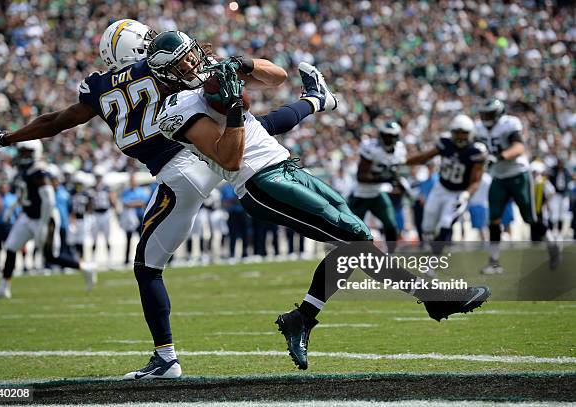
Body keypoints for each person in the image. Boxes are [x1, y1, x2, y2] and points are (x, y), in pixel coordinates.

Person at [0, 19, 333, 379]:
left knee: (147, 267)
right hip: (201, 158)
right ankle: (315, 100)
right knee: (257, 126)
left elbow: (56, 121)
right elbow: (228, 82)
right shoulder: (166, 61)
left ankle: (165, 358)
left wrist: (6, 138)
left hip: (178, 174)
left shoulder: (99, 87)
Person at [152, 30, 490, 371]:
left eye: (190, 53)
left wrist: (244, 64)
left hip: (286, 166)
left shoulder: (215, 71)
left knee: (351, 242)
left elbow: (277, 76)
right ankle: (434, 298)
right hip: (258, 182)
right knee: (355, 235)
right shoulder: (175, 108)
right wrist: (236, 109)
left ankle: (303, 318)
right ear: (167, 72)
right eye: (181, 61)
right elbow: (229, 159)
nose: (192, 62)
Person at [0, 141, 96, 300]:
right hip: (27, 216)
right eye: (21, 151)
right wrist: (13, 208)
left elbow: (49, 200)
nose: (22, 155)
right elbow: (24, 193)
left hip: (44, 217)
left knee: (50, 256)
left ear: (34, 152)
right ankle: (3, 288)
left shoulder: (39, 171)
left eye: (26, 152)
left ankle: (85, 267)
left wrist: (43, 223)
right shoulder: (24, 169)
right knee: (10, 248)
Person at [406, 114, 487, 255]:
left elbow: (476, 181)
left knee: (446, 222)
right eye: (457, 133)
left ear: (470, 134)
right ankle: (432, 249)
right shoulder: (445, 143)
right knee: (427, 226)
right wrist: (405, 162)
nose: (460, 137)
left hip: (457, 192)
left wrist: (466, 194)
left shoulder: (476, 152)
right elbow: (426, 156)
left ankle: (433, 261)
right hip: (440, 188)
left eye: (464, 133)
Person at [475, 99, 536, 274]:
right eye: (484, 114)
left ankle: (551, 244)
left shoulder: (509, 124)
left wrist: (499, 157)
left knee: (529, 218)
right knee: (493, 219)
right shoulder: (478, 128)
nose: (485, 117)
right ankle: (494, 262)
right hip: (498, 176)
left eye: (489, 114)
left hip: (518, 173)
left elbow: (518, 147)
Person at [349, 121, 405, 252]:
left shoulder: (399, 150)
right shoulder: (371, 147)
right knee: (352, 231)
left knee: (391, 226)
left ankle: (391, 256)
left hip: (377, 194)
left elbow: (394, 173)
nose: (389, 139)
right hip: (360, 196)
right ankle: (347, 257)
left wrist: (396, 183)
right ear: (380, 135)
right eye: (386, 136)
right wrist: (384, 178)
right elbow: (361, 176)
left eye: (392, 136)